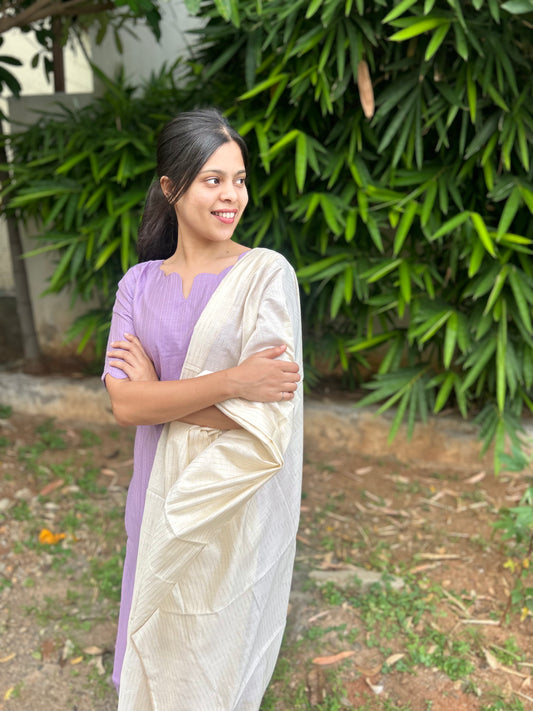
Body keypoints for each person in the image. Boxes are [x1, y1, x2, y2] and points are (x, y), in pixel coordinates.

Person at [102, 107, 304, 710]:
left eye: (238, 179)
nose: (231, 196)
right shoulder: (137, 285)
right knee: (151, 650)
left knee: (214, 661)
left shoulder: (265, 276)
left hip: (232, 507)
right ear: (171, 187)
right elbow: (123, 404)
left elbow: (268, 426)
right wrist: (237, 381)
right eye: (212, 179)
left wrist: (159, 398)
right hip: (156, 496)